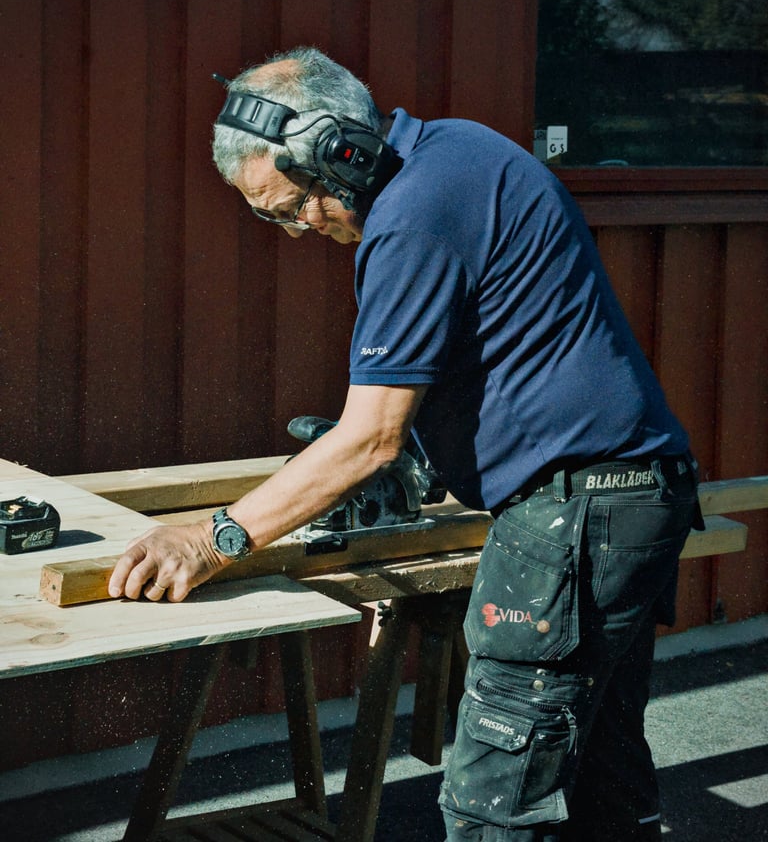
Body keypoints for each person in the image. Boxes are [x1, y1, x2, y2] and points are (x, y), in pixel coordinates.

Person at [108, 46, 703, 841]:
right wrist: (421, 453)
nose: (298, 230)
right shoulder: (453, 150)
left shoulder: (414, 215)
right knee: (599, 768)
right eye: (269, 217)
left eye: (294, 207)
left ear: (340, 151)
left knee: (495, 803)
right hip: (624, 501)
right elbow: (491, 357)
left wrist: (211, 540)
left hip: (576, 517)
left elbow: (369, 437)